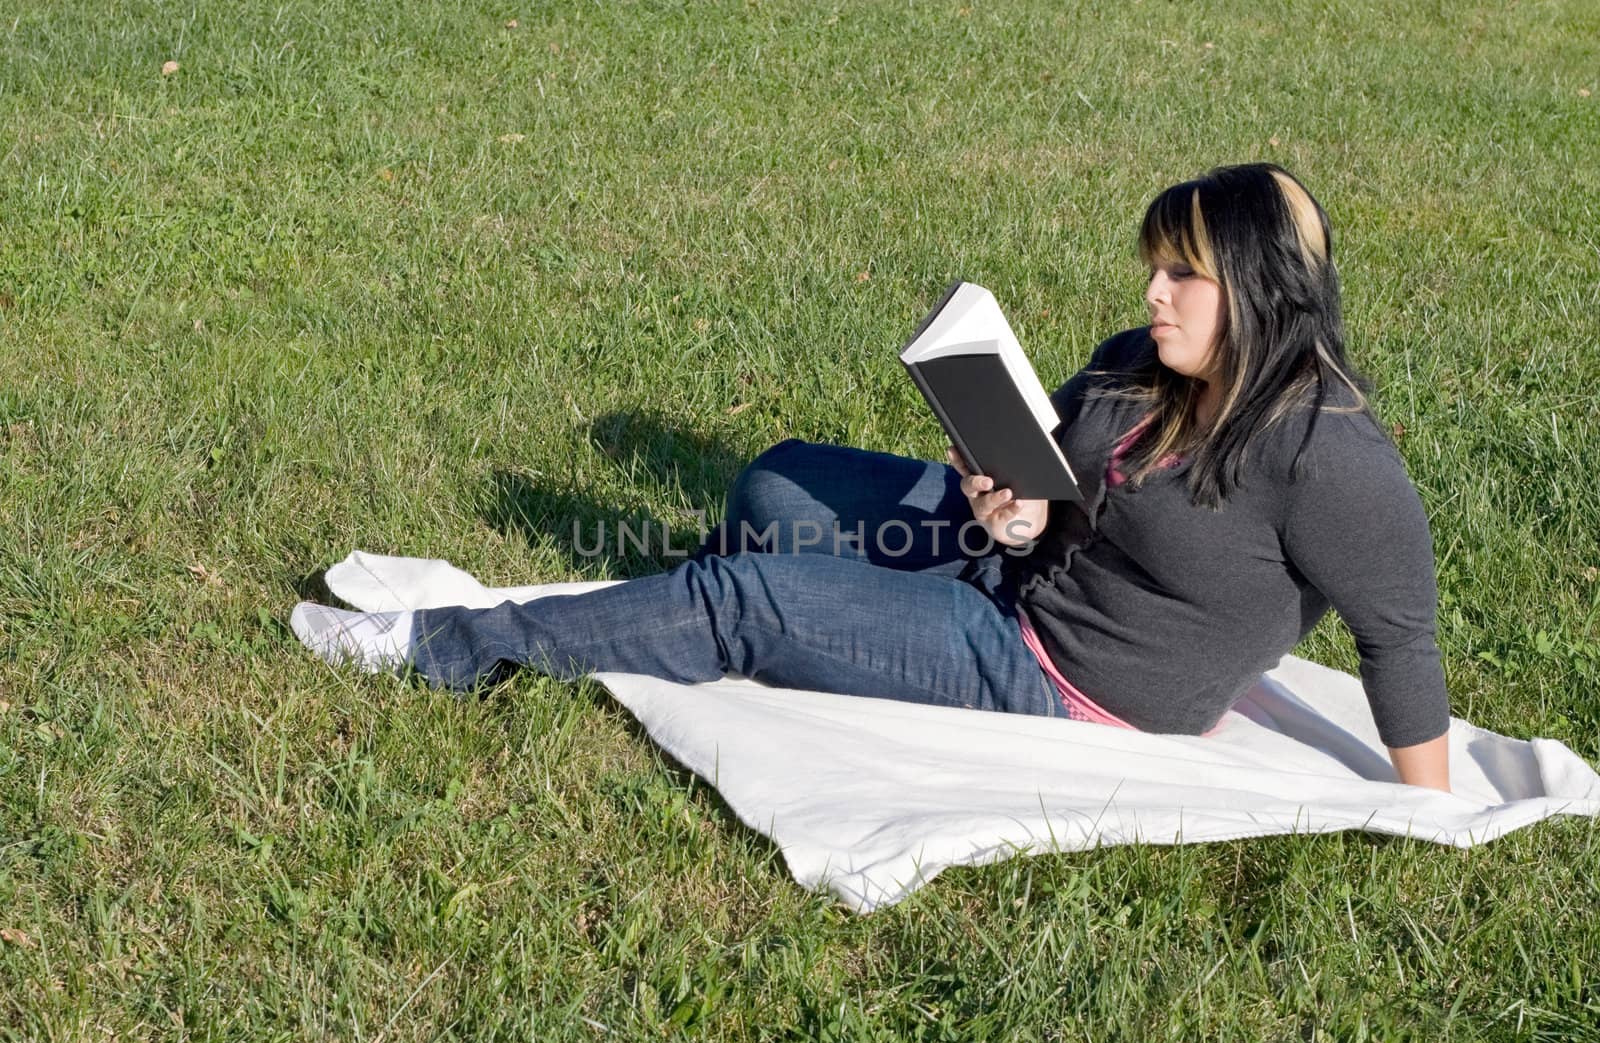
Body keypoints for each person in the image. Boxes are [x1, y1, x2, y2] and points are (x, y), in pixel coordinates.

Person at [292, 162, 1452, 792]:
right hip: (1006, 569)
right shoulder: (1142, 367)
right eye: (1152, 269)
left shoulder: (1328, 456)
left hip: (1060, 670)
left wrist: (1434, 810)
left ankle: (444, 646)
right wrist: (1010, 505)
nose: (1151, 295)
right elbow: (1047, 475)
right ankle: (683, 619)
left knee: (747, 597)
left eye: (1179, 277)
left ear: (1257, 290)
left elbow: (1399, 638)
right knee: (773, 488)